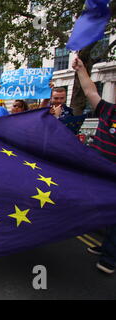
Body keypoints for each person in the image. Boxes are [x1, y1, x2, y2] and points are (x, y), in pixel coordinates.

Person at [73, 56, 116, 275]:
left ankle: (110, 257)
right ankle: (106, 245)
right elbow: (91, 91)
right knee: (106, 210)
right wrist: (81, 70)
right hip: (98, 173)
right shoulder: (109, 110)